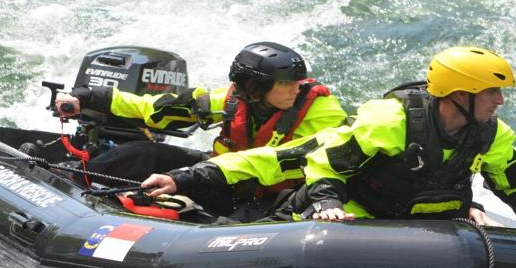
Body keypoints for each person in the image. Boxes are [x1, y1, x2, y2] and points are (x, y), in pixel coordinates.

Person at [141, 46, 516, 252]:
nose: (499, 103)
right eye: (491, 94)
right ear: (457, 94)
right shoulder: (389, 121)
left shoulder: (491, 134)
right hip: (350, 224)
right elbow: (316, 161)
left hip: (424, 235)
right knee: (256, 208)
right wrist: (328, 202)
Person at [54, 42, 347, 217]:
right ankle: (67, 180)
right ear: (255, 87)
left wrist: (186, 178)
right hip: (220, 179)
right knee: (143, 153)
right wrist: (89, 98)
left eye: (298, 81)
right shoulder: (231, 99)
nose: (296, 88)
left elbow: (286, 159)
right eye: (286, 82)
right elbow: (157, 108)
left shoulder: (322, 111)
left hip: (274, 198)